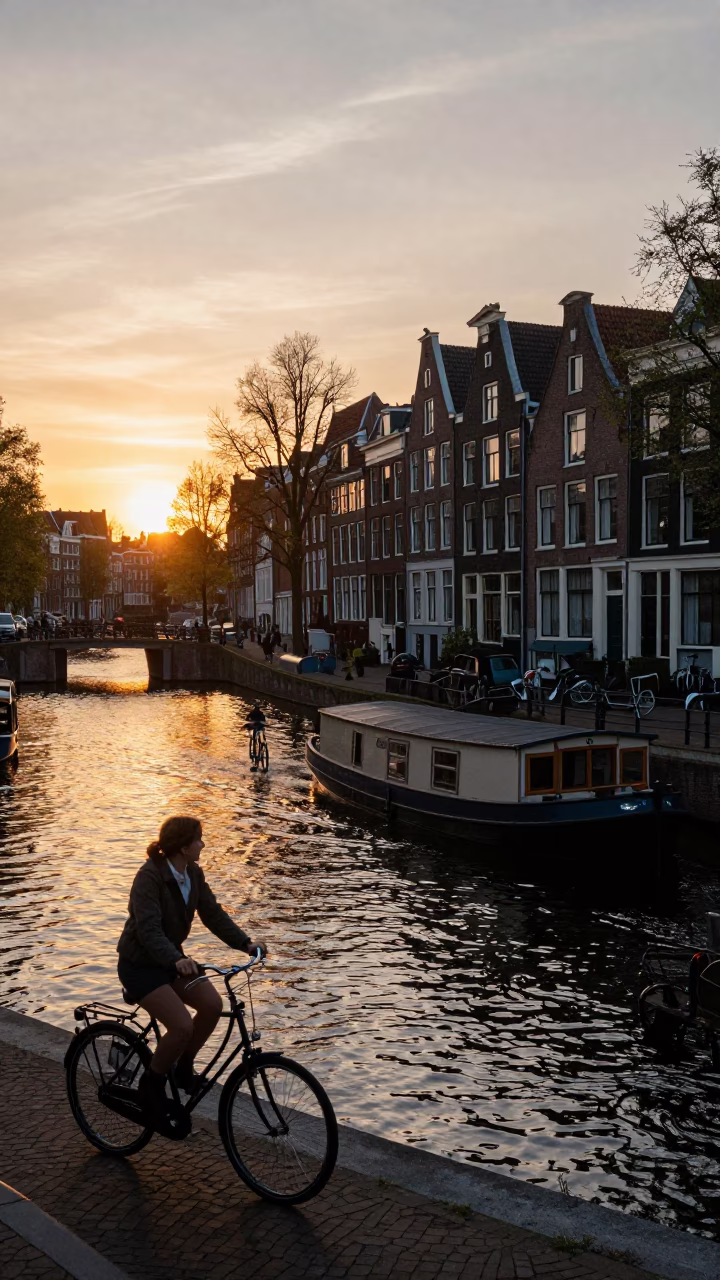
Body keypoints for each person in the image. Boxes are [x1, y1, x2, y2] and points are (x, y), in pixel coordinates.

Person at [117, 816, 265, 1113]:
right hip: (140, 965)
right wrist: (177, 959)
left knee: (211, 1005)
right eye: (199, 839)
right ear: (183, 847)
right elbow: (148, 930)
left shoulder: (193, 874)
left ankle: (183, 1067)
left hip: (172, 960)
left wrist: (245, 943)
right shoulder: (149, 877)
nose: (203, 844)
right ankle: (151, 1086)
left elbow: (212, 914)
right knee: (182, 1025)